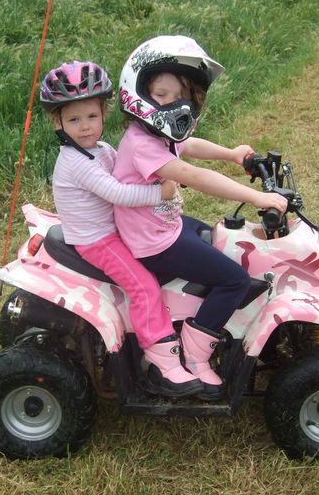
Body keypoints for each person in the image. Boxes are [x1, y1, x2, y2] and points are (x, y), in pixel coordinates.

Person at [112, 35, 288, 400]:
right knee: (234, 280)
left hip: (165, 227)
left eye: (180, 98)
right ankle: (194, 355)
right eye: (161, 95)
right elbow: (196, 177)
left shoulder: (156, 133)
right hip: (153, 244)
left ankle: (196, 321)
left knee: (217, 238)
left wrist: (232, 153)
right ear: (139, 92)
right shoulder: (141, 144)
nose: (171, 104)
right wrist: (257, 196)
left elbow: (189, 144)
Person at [40, 60, 202, 397]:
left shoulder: (101, 150)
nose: (85, 127)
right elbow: (118, 192)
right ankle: (163, 361)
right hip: (97, 240)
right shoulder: (74, 161)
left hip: (113, 230)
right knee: (143, 286)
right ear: (56, 121)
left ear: (104, 113)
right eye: (73, 119)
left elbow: (124, 175)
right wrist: (160, 192)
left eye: (92, 117)